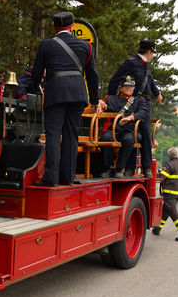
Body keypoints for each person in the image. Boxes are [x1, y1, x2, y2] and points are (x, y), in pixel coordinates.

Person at [31, 12, 104, 186]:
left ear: (54, 27)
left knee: (53, 135)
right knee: (71, 135)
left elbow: (36, 73)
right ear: (72, 28)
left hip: (55, 92)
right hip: (77, 94)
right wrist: (95, 100)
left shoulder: (46, 45)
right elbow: (93, 76)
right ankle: (68, 177)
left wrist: (37, 87)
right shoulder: (86, 46)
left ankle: (51, 179)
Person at [108, 39, 162, 178]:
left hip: (144, 102)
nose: (153, 55)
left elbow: (150, 80)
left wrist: (157, 93)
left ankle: (146, 167)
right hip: (132, 102)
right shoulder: (131, 63)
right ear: (149, 51)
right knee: (129, 133)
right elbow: (115, 80)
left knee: (145, 133)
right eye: (153, 52)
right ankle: (127, 167)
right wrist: (111, 99)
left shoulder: (146, 66)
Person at [99, 75, 150, 178]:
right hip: (114, 129)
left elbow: (144, 112)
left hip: (130, 130)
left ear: (134, 88)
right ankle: (108, 168)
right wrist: (99, 103)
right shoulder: (111, 99)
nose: (128, 88)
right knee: (105, 138)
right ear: (120, 87)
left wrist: (131, 117)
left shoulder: (139, 101)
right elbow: (105, 107)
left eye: (131, 86)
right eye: (126, 86)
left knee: (128, 140)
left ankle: (119, 169)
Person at [152, 147, 178, 241]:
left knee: (172, 211)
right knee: (166, 210)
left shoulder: (169, 164)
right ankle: (157, 228)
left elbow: (162, 176)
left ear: (169, 156)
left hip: (170, 193)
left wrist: (155, 172)